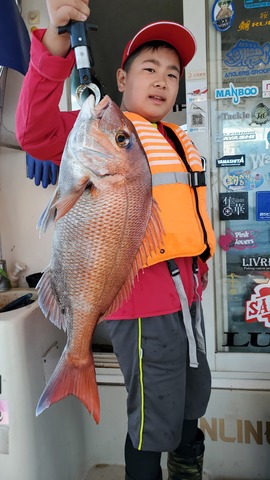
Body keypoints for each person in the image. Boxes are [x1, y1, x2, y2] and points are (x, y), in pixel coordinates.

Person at [16, 1, 216, 479]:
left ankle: (189, 468)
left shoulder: (175, 136)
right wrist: (54, 40)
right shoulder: (105, 136)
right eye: (149, 68)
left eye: (172, 73)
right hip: (142, 306)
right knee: (151, 423)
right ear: (122, 80)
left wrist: (201, 272)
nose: (163, 80)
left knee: (191, 405)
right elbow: (34, 130)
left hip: (187, 301)